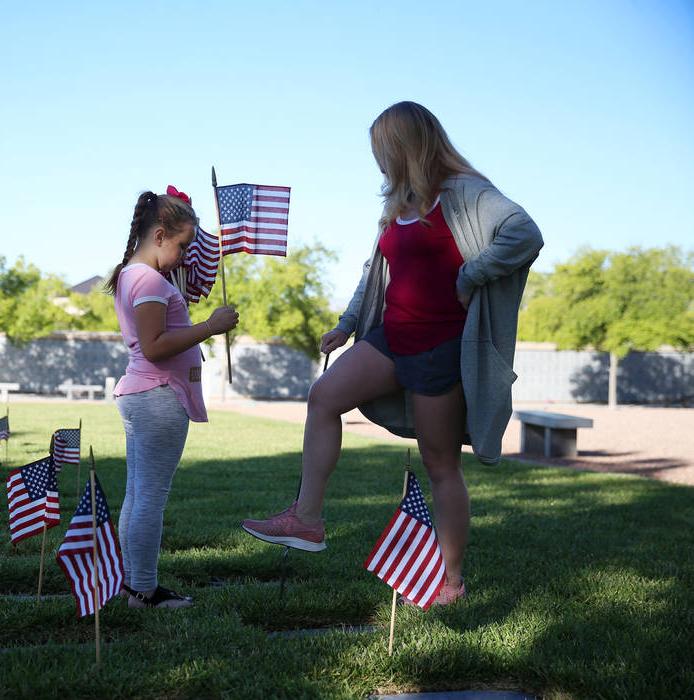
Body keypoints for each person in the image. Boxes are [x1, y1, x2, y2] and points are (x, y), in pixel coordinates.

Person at [241, 102, 543, 606]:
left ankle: (450, 582)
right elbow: (374, 273)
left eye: (383, 151)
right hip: (390, 337)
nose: (379, 162)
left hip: (439, 348)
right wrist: (346, 324)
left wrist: (471, 275)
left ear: (407, 147)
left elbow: (524, 233)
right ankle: (307, 519)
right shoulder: (398, 205)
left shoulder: (465, 192)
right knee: (324, 396)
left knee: (440, 464)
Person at [107, 188, 239, 609]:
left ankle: (134, 586)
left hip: (148, 396)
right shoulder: (146, 279)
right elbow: (155, 345)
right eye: (182, 245)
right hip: (158, 397)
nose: (184, 255)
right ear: (159, 235)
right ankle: (143, 591)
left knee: (138, 493)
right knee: (149, 497)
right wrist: (210, 326)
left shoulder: (135, 275)